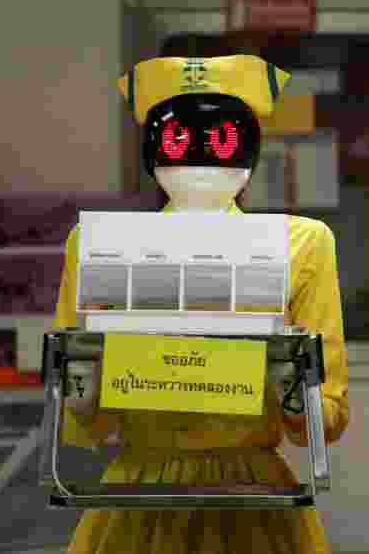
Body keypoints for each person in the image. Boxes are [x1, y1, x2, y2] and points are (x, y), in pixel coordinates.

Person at [55, 55, 349, 554]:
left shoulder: (301, 244)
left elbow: (327, 416)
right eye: (179, 140)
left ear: (247, 149)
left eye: (219, 140)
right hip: (149, 493)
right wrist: (80, 389)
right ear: (155, 152)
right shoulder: (97, 245)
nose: (199, 157)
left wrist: (292, 383)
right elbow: (80, 411)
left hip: (238, 495)